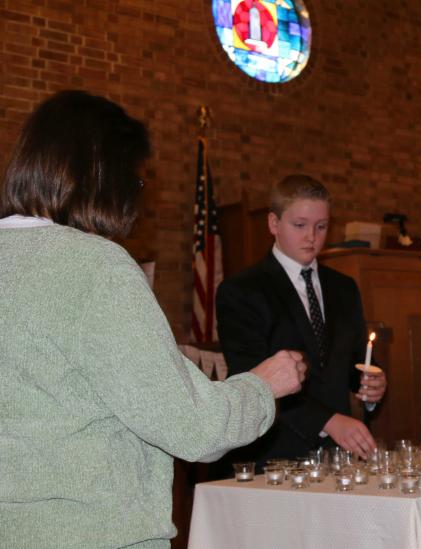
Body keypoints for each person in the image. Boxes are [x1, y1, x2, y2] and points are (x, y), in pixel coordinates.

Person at [0, 90, 307, 549]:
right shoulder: (95, 266)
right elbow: (193, 426)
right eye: (135, 180)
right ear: (103, 176)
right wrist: (263, 386)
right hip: (89, 534)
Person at [215, 174, 387, 468]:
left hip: (338, 455)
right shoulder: (242, 290)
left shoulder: (344, 288)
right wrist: (327, 421)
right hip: (275, 453)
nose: (311, 237)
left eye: (321, 226)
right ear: (274, 223)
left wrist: (372, 386)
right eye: (300, 225)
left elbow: (356, 364)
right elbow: (250, 379)